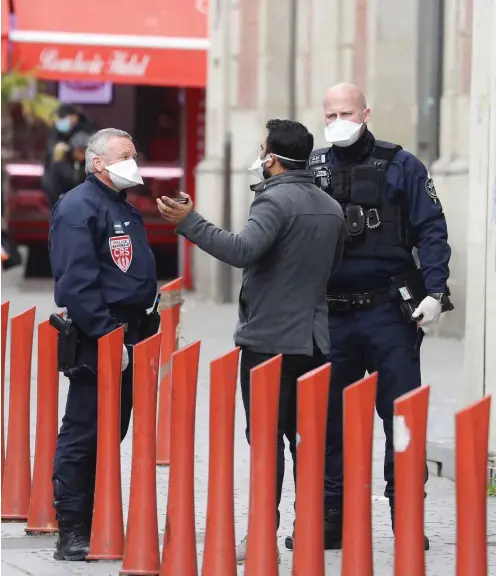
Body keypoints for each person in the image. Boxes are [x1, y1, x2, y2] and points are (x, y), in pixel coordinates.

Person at [156, 118, 346, 563]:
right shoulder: (330, 206)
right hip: (315, 341)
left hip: (269, 341)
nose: (260, 156)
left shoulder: (274, 201)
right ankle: (309, 530)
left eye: (263, 149)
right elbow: (331, 268)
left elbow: (242, 250)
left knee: (266, 442)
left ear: (273, 159)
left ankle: (262, 535)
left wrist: (190, 222)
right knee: (307, 441)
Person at [297, 82, 452, 552]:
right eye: (329, 115)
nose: (337, 121)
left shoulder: (402, 164)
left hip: (390, 314)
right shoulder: (313, 168)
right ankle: (330, 519)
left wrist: (437, 289)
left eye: (345, 112)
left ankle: (406, 519)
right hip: (334, 317)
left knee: (401, 419)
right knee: (327, 424)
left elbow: (431, 229)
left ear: (365, 111)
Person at [49, 128, 158, 561]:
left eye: (134, 154)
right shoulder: (79, 206)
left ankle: (95, 519)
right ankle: (71, 530)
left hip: (130, 333)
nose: (134, 161)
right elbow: (76, 281)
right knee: (85, 432)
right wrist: (109, 333)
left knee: (111, 431)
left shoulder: (120, 206)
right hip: (100, 337)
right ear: (98, 163)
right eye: (125, 155)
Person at [43, 104, 96, 195]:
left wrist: (69, 149)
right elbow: (51, 148)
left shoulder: (86, 128)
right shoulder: (57, 130)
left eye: (63, 118)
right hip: (59, 172)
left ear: (74, 117)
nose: (60, 121)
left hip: (80, 172)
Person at [45, 131, 90, 206]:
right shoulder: (60, 165)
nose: (81, 155)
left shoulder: (90, 168)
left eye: (84, 152)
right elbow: (51, 185)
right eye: (79, 151)